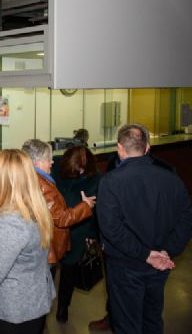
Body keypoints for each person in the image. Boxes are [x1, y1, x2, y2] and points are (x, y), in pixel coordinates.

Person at [97, 123, 192, 334]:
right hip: (160, 264)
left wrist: (145, 254)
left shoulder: (110, 182)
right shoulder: (172, 178)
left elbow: (111, 228)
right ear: (148, 147)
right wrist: (168, 250)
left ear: (120, 148)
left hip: (125, 266)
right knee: (153, 319)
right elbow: (186, 218)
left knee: (127, 324)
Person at [0, 149, 55, 332]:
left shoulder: (12, 222)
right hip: (30, 303)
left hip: (9, 311)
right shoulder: (34, 207)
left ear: (2, 180)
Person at [22, 139, 95, 265]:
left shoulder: (27, 177)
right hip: (46, 246)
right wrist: (86, 205)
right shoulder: (43, 185)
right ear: (37, 162)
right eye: (48, 159)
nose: (52, 162)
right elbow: (62, 218)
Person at [54, 145, 101, 323]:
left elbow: (97, 211)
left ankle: (63, 307)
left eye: (81, 170)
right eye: (74, 170)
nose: (78, 173)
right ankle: (43, 309)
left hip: (78, 231)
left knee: (69, 273)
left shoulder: (96, 178)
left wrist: (92, 234)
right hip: (54, 229)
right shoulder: (56, 166)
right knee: (47, 271)